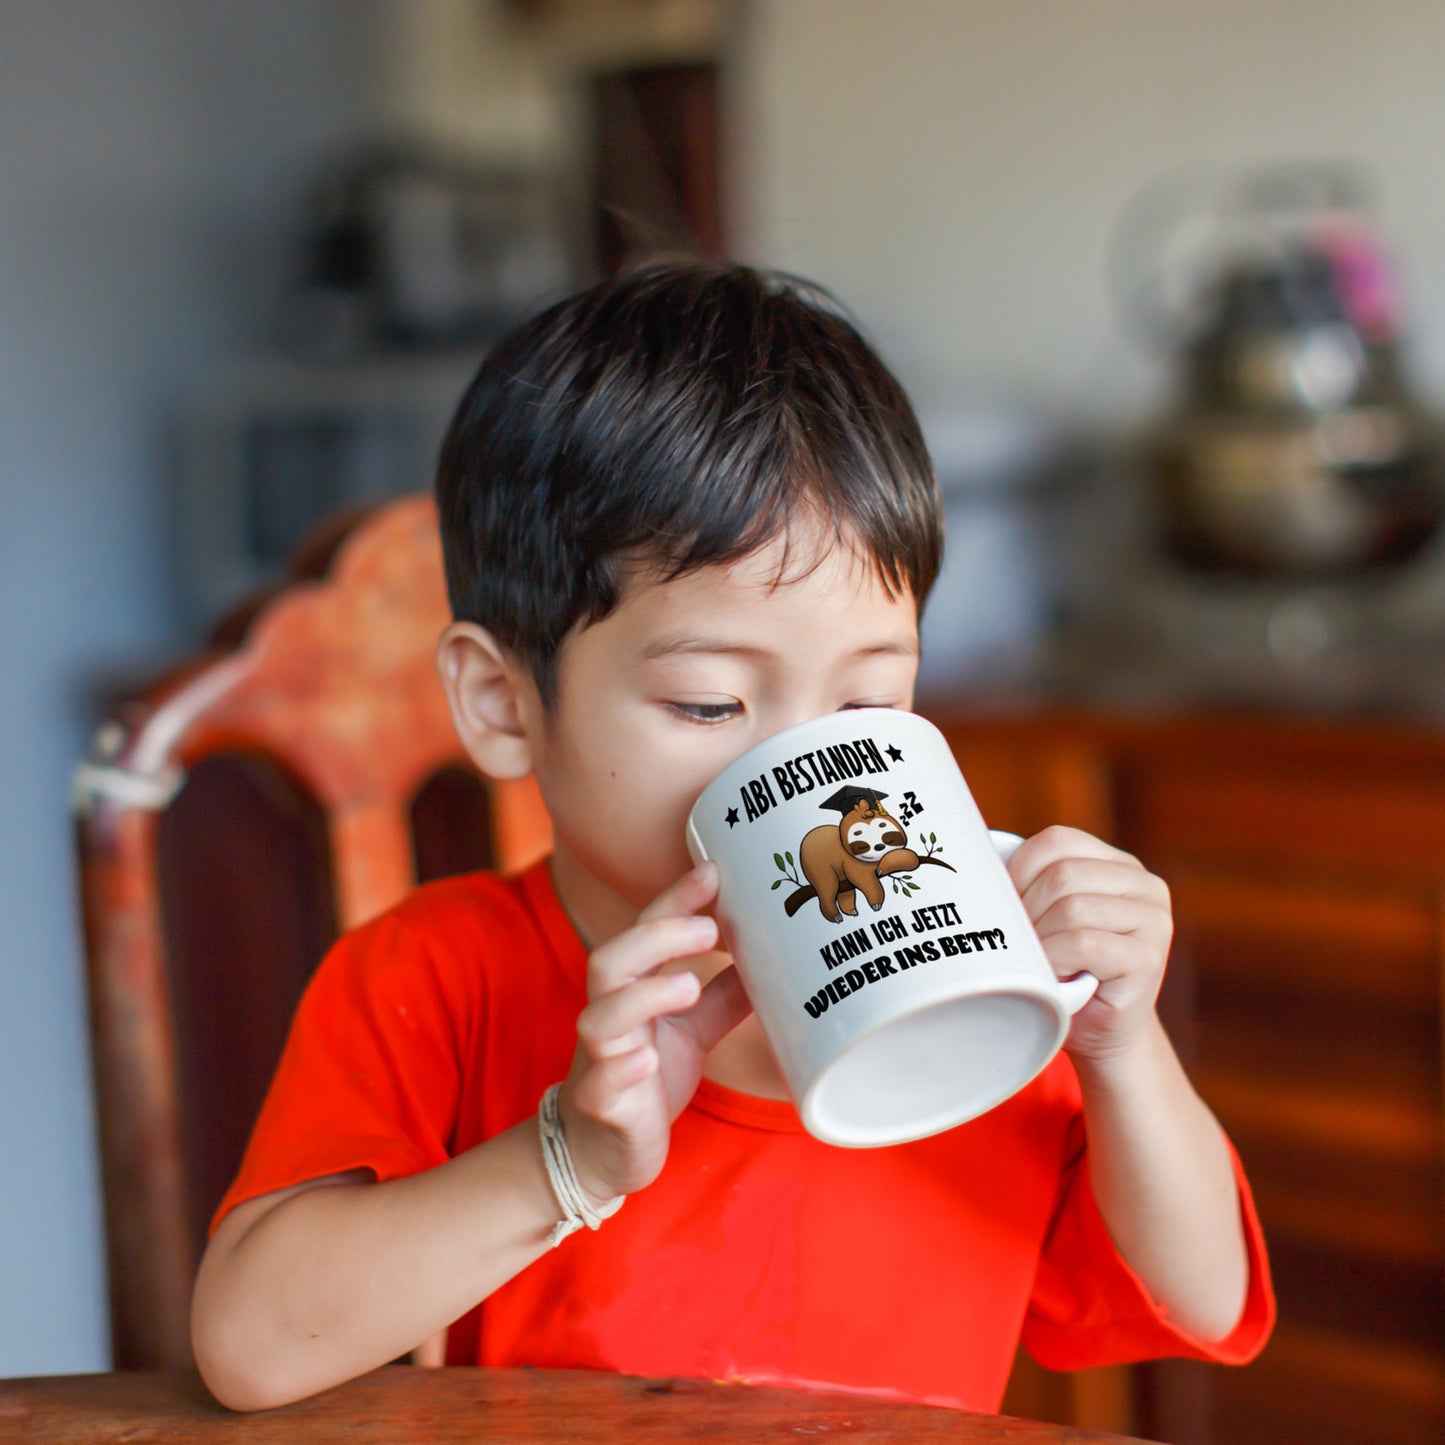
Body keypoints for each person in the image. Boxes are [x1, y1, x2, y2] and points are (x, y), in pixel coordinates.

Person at [191, 261, 1273, 1413]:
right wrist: (570, 1156)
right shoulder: (436, 975)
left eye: (867, 707)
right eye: (710, 703)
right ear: (504, 703)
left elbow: (1202, 1302)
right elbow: (254, 1347)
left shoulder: (975, 987)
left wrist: (1120, 1047)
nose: (795, 767)